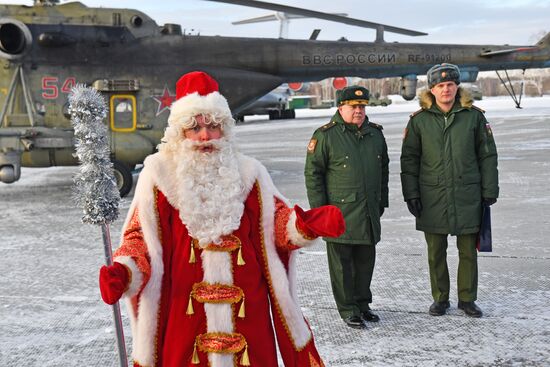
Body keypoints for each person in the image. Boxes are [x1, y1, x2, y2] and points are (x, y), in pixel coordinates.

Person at [98, 71, 345, 367]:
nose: (204, 136)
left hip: (247, 316)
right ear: (180, 132)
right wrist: (125, 272)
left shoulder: (249, 172)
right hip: (184, 316)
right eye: (195, 127)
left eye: (213, 126)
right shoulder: (158, 175)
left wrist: (304, 225)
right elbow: (139, 237)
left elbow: (277, 223)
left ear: (225, 129)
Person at [400, 63, 499, 318]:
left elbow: (487, 156)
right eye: (441, 85)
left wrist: (489, 190)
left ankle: (467, 299)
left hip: (467, 195)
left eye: (450, 85)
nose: (446, 89)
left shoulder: (474, 117)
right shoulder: (419, 121)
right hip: (432, 196)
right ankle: (440, 298)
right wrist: (411, 194)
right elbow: (409, 160)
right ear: (432, 90)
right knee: (436, 252)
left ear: (457, 87)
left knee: (468, 251)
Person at [304, 85, 389, 329]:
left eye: (362, 106)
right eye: (354, 107)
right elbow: (313, 175)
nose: (359, 111)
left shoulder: (375, 134)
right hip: (339, 213)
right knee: (342, 264)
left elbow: (383, 170)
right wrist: (321, 213)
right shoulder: (325, 136)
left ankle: (363, 304)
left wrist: (381, 201)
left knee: (365, 261)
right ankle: (348, 308)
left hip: (368, 210)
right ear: (341, 107)